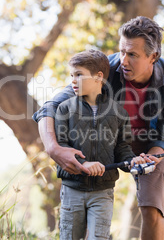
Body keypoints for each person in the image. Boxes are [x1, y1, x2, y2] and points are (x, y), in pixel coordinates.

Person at [33, 16, 164, 239]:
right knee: (84, 206)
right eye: (122, 51)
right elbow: (50, 107)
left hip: (149, 146)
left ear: (153, 56)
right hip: (103, 139)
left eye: (132, 54)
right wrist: (53, 148)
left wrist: (153, 157)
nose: (123, 61)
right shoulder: (104, 70)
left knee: (153, 208)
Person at [54, 49, 146, 240]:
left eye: (79, 75)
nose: (72, 80)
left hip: (103, 193)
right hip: (72, 191)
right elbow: (60, 149)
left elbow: (123, 149)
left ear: (98, 77)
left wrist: (133, 162)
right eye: (71, 75)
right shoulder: (64, 109)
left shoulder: (119, 113)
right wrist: (83, 165)